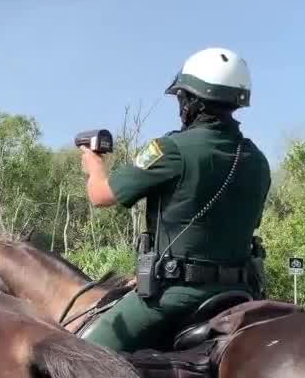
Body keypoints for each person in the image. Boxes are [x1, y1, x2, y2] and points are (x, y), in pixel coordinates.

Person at [78, 47, 271, 353]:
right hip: (242, 293)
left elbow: (100, 195)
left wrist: (94, 165)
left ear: (191, 101)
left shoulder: (170, 149)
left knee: (79, 355)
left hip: (177, 294)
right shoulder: (257, 159)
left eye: (182, 97)